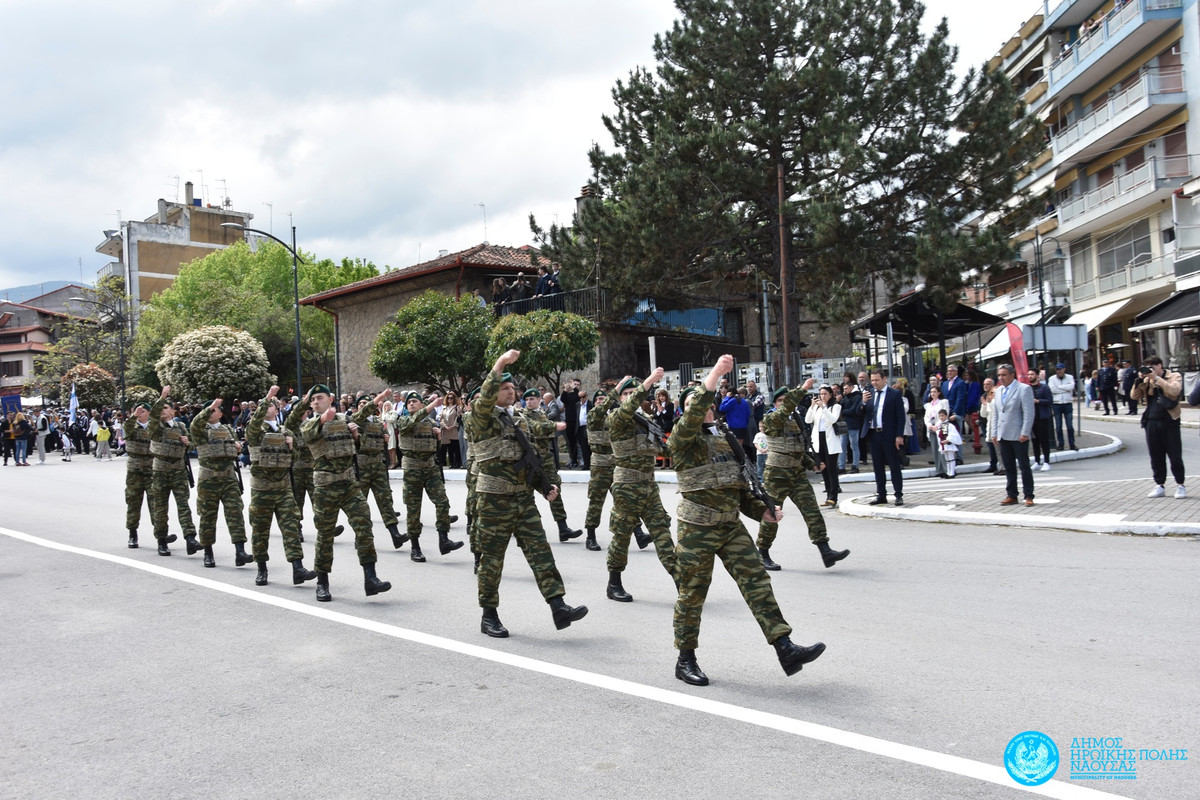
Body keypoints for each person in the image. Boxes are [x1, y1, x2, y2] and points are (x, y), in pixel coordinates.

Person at [669, 353, 826, 686]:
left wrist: (763, 511)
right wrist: (714, 375)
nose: (708, 407)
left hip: (729, 526)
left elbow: (741, 491)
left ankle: (784, 646)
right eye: (700, 403)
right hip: (697, 528)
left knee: (757, 582)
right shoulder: (683, 440)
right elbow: (697, 408)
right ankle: (685, 659)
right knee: (692, 594)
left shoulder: (725, 441)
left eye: (710, 403)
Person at [466, 349, 588, 638]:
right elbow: (484, 400)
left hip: (522, 497)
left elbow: (528, 458)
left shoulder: (519, 419)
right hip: (494, 500)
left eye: (512, 388)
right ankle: (489, 615)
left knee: (541, 552)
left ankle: (558, 607)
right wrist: (500, 363)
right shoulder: (479, 418)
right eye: (504, 388)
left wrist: (543, 487)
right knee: (492, 560)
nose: (511, 391)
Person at [301, 385, 394, 602]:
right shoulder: (309, 424)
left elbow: (358, 440)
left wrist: (355, 433)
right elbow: (308, 434)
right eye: (312, 399)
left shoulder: (345, 420)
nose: (315, 402)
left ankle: (371, 578)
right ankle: (322, 583)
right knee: (325, 535)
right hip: (325, 488)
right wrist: (325, 417)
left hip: (350, 484)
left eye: (320, 398)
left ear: (330, 399)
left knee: (364, 527)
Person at [757, 381, 849, 571]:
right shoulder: (771, 419)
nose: (784, 404)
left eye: (786, 400)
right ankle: (763, 553)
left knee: (812, 512)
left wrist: (812, 463)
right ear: (775, 404)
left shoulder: (795, 422)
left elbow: (799, 449)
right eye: (781, 401)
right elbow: (783, 415)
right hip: (777, 475)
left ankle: (825, 550)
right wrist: (800, 391)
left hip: (797, 474)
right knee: (772, 514)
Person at [603, 371, 676, 602]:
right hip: (626, 488)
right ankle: (614, 583)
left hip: (649, 488)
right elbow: (627, 409)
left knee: (663, 534)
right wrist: (648, 383)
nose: (630, 397)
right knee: (622, 536)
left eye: (633, 393)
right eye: (625, 394)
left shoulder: (647, 421)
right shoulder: (615, 418)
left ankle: (681, 580)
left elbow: (664, 448)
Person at [245, 386, 318, 587]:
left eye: (272, 405)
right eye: (266, 405)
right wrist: (267, 396)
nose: (270, 406)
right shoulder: (255, 430)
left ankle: (297, 568)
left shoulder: (285, 431)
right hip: (262, 490)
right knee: (260, 530)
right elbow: (254, 424)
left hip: (283, 488)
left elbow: (292, 459)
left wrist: (291, 446)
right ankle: (261, 569)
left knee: (291, 528)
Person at [394, 391, 461, 561]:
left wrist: (438, 437)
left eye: (415, 401)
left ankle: (444, 540)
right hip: (413, 470)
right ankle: (415, 547)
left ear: (421, 404)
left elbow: (434, 447)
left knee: (442, 502)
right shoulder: (403, 420)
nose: (411, 404)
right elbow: (411, 422)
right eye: (409, 402)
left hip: (430, 469)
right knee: (413, 510)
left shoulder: (431, 422)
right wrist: (432, 405)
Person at [190, 398, 251, 568]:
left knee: (235, 513)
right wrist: (209, 407)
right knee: (208, 515)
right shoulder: (200, 430)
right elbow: (195, 424)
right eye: (209, 410)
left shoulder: (227, 430)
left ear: (221, 413)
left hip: (229, 478)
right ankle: (208, 552)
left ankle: (240, 551)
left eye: (215, 409)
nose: (211, 412)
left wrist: (237, 446)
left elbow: (235, 446)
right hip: (209, 479)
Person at [521, 389, 582, 542]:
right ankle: (529, 529)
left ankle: (563, 528)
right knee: (525, 494)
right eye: (526, 399)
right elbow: (535, 427)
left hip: (545, 459)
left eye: (532, 399)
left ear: (539, 399)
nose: (528, 402)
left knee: (554, 489)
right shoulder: (523, 415)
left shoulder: (542, 412)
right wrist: (554, 426)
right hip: (529, 460)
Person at [147, 389, 201, 556]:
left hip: (178, 470)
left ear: (172, 410)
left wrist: (187, 442)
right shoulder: (156, 426)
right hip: (161, 471)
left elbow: (192, 446)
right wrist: (162, 397)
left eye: (165, 408)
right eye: (160, 408)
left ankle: (190, 538)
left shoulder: (180, 426)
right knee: (161, 507)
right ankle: (162, 540)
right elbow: (154, 415)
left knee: (183, 505)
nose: (162, 411)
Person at [1129, 356, 1185, 499]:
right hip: (1151, 421)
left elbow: (1174, 391)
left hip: (1170, 421)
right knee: (1156, 455)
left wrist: (1157, 379)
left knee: (1175, 455)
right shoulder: (1147, 379)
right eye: (1148, 368)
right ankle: (1159, 484)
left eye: (1152, 367)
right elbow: (1134, 396)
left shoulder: (1174, 376)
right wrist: (1139, 380)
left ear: (1160, 365)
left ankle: (1180, 485)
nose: (1150, 370)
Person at [583, 386, 620, 552]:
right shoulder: (593, 416)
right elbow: (601, 409)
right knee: (596, 501)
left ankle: (638, 532)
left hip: (615, 464)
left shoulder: (612, 418)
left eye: (603, 399)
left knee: (623, 500)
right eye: (598, 399)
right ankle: (590, 536)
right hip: (599, 466)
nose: (601, 401)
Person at [992, 364, 1036, 506]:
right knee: (1008, 466)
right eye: (999, 375)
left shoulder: (1024, 389)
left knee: (1024, 466)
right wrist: (994, 433)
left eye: (1004, 375)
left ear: (1012, 375)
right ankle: (1012, 494)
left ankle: (1028, 495)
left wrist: (1025, 432)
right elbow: (996, 414)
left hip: (1018, 434)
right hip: (1003, 434)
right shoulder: (998, 391)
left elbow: (1029, 413)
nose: (1001, 378)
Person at [862, 369, 906, 506]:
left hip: (889, 434)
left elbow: (900, 416)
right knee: (877, 466)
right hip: (874, 434)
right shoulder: (869, 394)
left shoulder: (894, 394)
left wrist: (899, 435)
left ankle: (898, 494)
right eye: (872, 380)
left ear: (884, 379)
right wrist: (863, 403)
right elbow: (861, 412)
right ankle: (881, 494)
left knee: (894, 465)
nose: (874, 383)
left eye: (877, 380)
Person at [122, 401, 157, 548]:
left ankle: (160, 533)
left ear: (149, 413)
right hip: (135, 470)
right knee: (133, 502)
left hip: (151, 468)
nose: (140, 412)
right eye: (138, 410)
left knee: (155, 503)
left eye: (143, 411)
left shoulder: (155, 428)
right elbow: (127, 427)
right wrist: (133, 416)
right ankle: (132, 533)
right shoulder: (131, 426)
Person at [805, 385, 842, 507]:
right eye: (821, 394)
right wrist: (812, 406)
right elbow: (808, 420)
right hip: (818, 439)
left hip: (830, 439)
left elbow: (832, 420)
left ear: (831, 395)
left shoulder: (835, 407)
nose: (822, 396)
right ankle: (828, 495)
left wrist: (824, 407)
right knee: (823, 468)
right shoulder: (816, 408)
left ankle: (834, 496)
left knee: (832, 468)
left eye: (825, 394)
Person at [1028, 370, 1054, 471]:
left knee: (1044, 440)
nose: (1030, 376)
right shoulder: (1027, 388)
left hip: (1042, 417)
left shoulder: (1044, 387)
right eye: (1028, 374)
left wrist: (1038, 401)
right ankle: (1037, 461)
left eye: (1032, 374)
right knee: (1035, 441)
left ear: (1037, 376)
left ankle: (1046, 461)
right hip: (1032, 418)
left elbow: (1050, 401)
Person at [1048, 363, 1077, 451]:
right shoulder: (1052, 379)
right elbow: (1052, 389)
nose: (1059, 371)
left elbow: (1071, 386)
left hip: (1067, 403)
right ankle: (1061, 444)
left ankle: (1072, 444)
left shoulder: (1070, 377)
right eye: (1057, 369)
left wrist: (1059, 387)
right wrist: (1065, 389)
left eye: (1060, 369)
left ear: (1064, 369)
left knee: (1069, 426)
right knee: (1058, 426)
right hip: (1057, 404)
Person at [923, 385, 950, 476]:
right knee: (935, 449)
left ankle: (947, 469)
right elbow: (926, 417)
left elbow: (944, 414)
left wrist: (937, 426)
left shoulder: (943, 402)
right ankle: (939, 469)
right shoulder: (929, 405)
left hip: (941, 427)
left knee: (943, 448)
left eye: (935, 392)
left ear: (939, 393)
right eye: (931, 392)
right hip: (932, 428)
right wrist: (930, 425)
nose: (933, 394)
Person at [839, 372, 863, 472]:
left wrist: (843, 412)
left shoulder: (857, 397)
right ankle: (841, 466)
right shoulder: (845, 397)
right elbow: (839, 407)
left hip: (853, 425)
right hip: (845, 424)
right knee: (842, 446)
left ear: (851, 387)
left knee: (854, 446)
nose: (844, 391)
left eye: (846, 389)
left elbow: (853, 411)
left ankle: (855, 465)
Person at [932, 409, 963, 478]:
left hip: (949, 443)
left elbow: (953, 434)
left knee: (951, 457)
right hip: (944, 444)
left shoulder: (950, 425)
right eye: (940, 416)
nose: (941, 417)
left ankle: (952, 472)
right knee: (947, 458)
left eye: (942, 416)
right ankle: (948, 472)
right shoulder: (940, 425)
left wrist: (948, 439)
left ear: (946, 416)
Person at [439, 391, 463, 469]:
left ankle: (458, 463)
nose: (450, 399)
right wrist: (445, 426)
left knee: (456, 447)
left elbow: (458, 417)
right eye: (448, 398)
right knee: (449, 448)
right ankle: (451, 463)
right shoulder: (444, 408)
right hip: (446, 430)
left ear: (454, 399)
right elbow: (441, 418)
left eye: (451, 398)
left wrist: (453, 426)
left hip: (454, 429)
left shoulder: (457, 407)